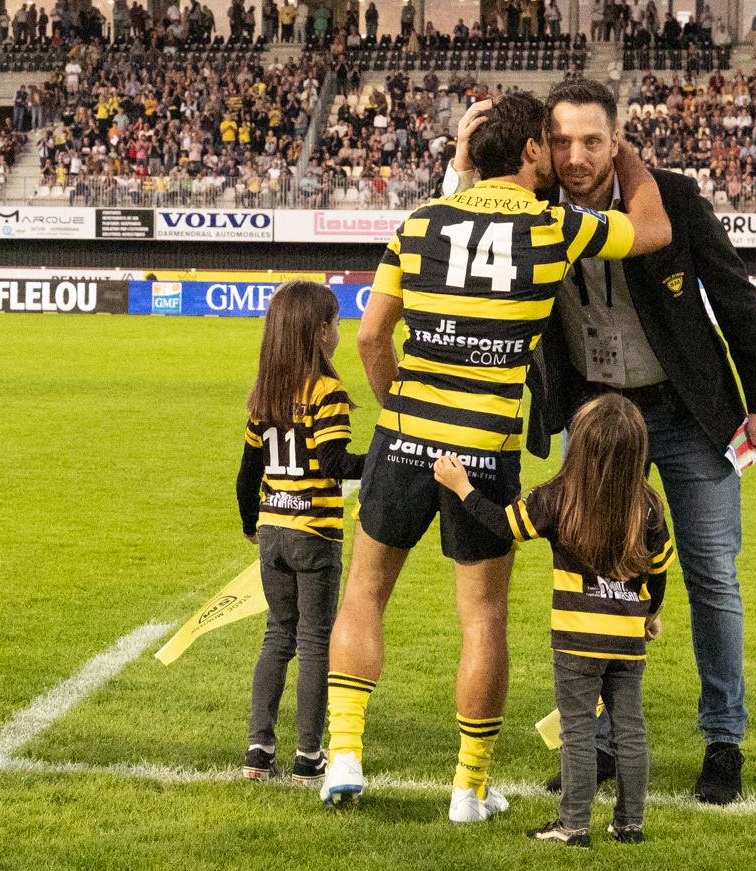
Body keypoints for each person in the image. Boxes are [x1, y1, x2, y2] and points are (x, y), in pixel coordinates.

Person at [319, 92, 672, 823]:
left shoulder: (420, 221)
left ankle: (345, 753)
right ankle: (468, 788)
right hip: (483, 449)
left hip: (404, 435)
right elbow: (652, 229)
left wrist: (398, 413)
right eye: (550, 143)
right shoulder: (554, 226)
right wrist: (624, 151)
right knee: (482, 619)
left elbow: (370, 337)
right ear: (533, 149)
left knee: (364, 593)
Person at [441, 78, 756, 805]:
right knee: (595, 575)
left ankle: (723, 741)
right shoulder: (531, 206)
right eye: (561, 140)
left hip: (688, 414)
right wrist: (466, 160)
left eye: (592, 141)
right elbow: (459, 229)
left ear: (616, 140)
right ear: (542, 145)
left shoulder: (672, 198)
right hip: (598, 423)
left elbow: (734, 295)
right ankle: (597, 744)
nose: (576, 156)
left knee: (711, 575)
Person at [433, 393, 674, 847]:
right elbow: (659, 572)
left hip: (576, 639)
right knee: (630, 729)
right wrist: (649, 615)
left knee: (578, 730)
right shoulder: (649, 506)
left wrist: (462, 487)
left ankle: (573, 825)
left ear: (578, 445)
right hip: (627, 640)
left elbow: (503, 525)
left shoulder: (557, 496)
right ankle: (630, 824)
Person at [235, 281, 366, 786]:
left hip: (272, 530)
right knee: (314, 642)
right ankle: (309, 755)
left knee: (277, 636)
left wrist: (251, 525)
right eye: (336, 323)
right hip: (315, 533)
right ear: (320, 332)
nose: (339, 331)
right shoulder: (327, 393)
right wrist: (385, 457)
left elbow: (246, 475)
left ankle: (258, 749)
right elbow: (336, 464)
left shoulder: (265, 394)